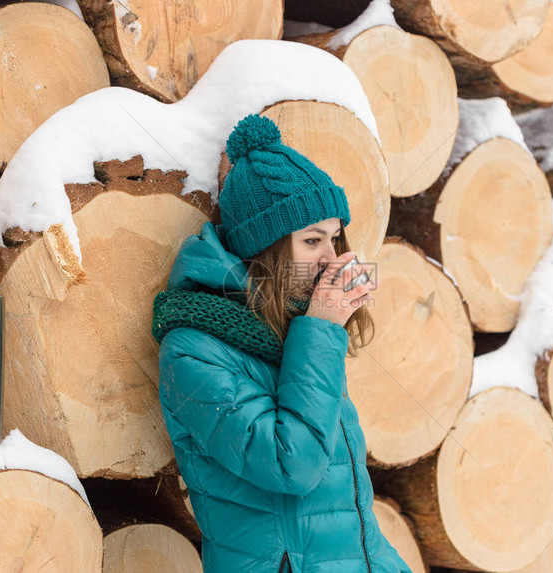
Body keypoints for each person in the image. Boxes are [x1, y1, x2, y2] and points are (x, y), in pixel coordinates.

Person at [152, 114, 412, 573]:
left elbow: (349, 517)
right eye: (312, 240)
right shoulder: (193, 349)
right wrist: (322, 329)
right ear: (263, 249)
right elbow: (293, 465)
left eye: (335, 238)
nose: (332, 258)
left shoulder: (292, 328)